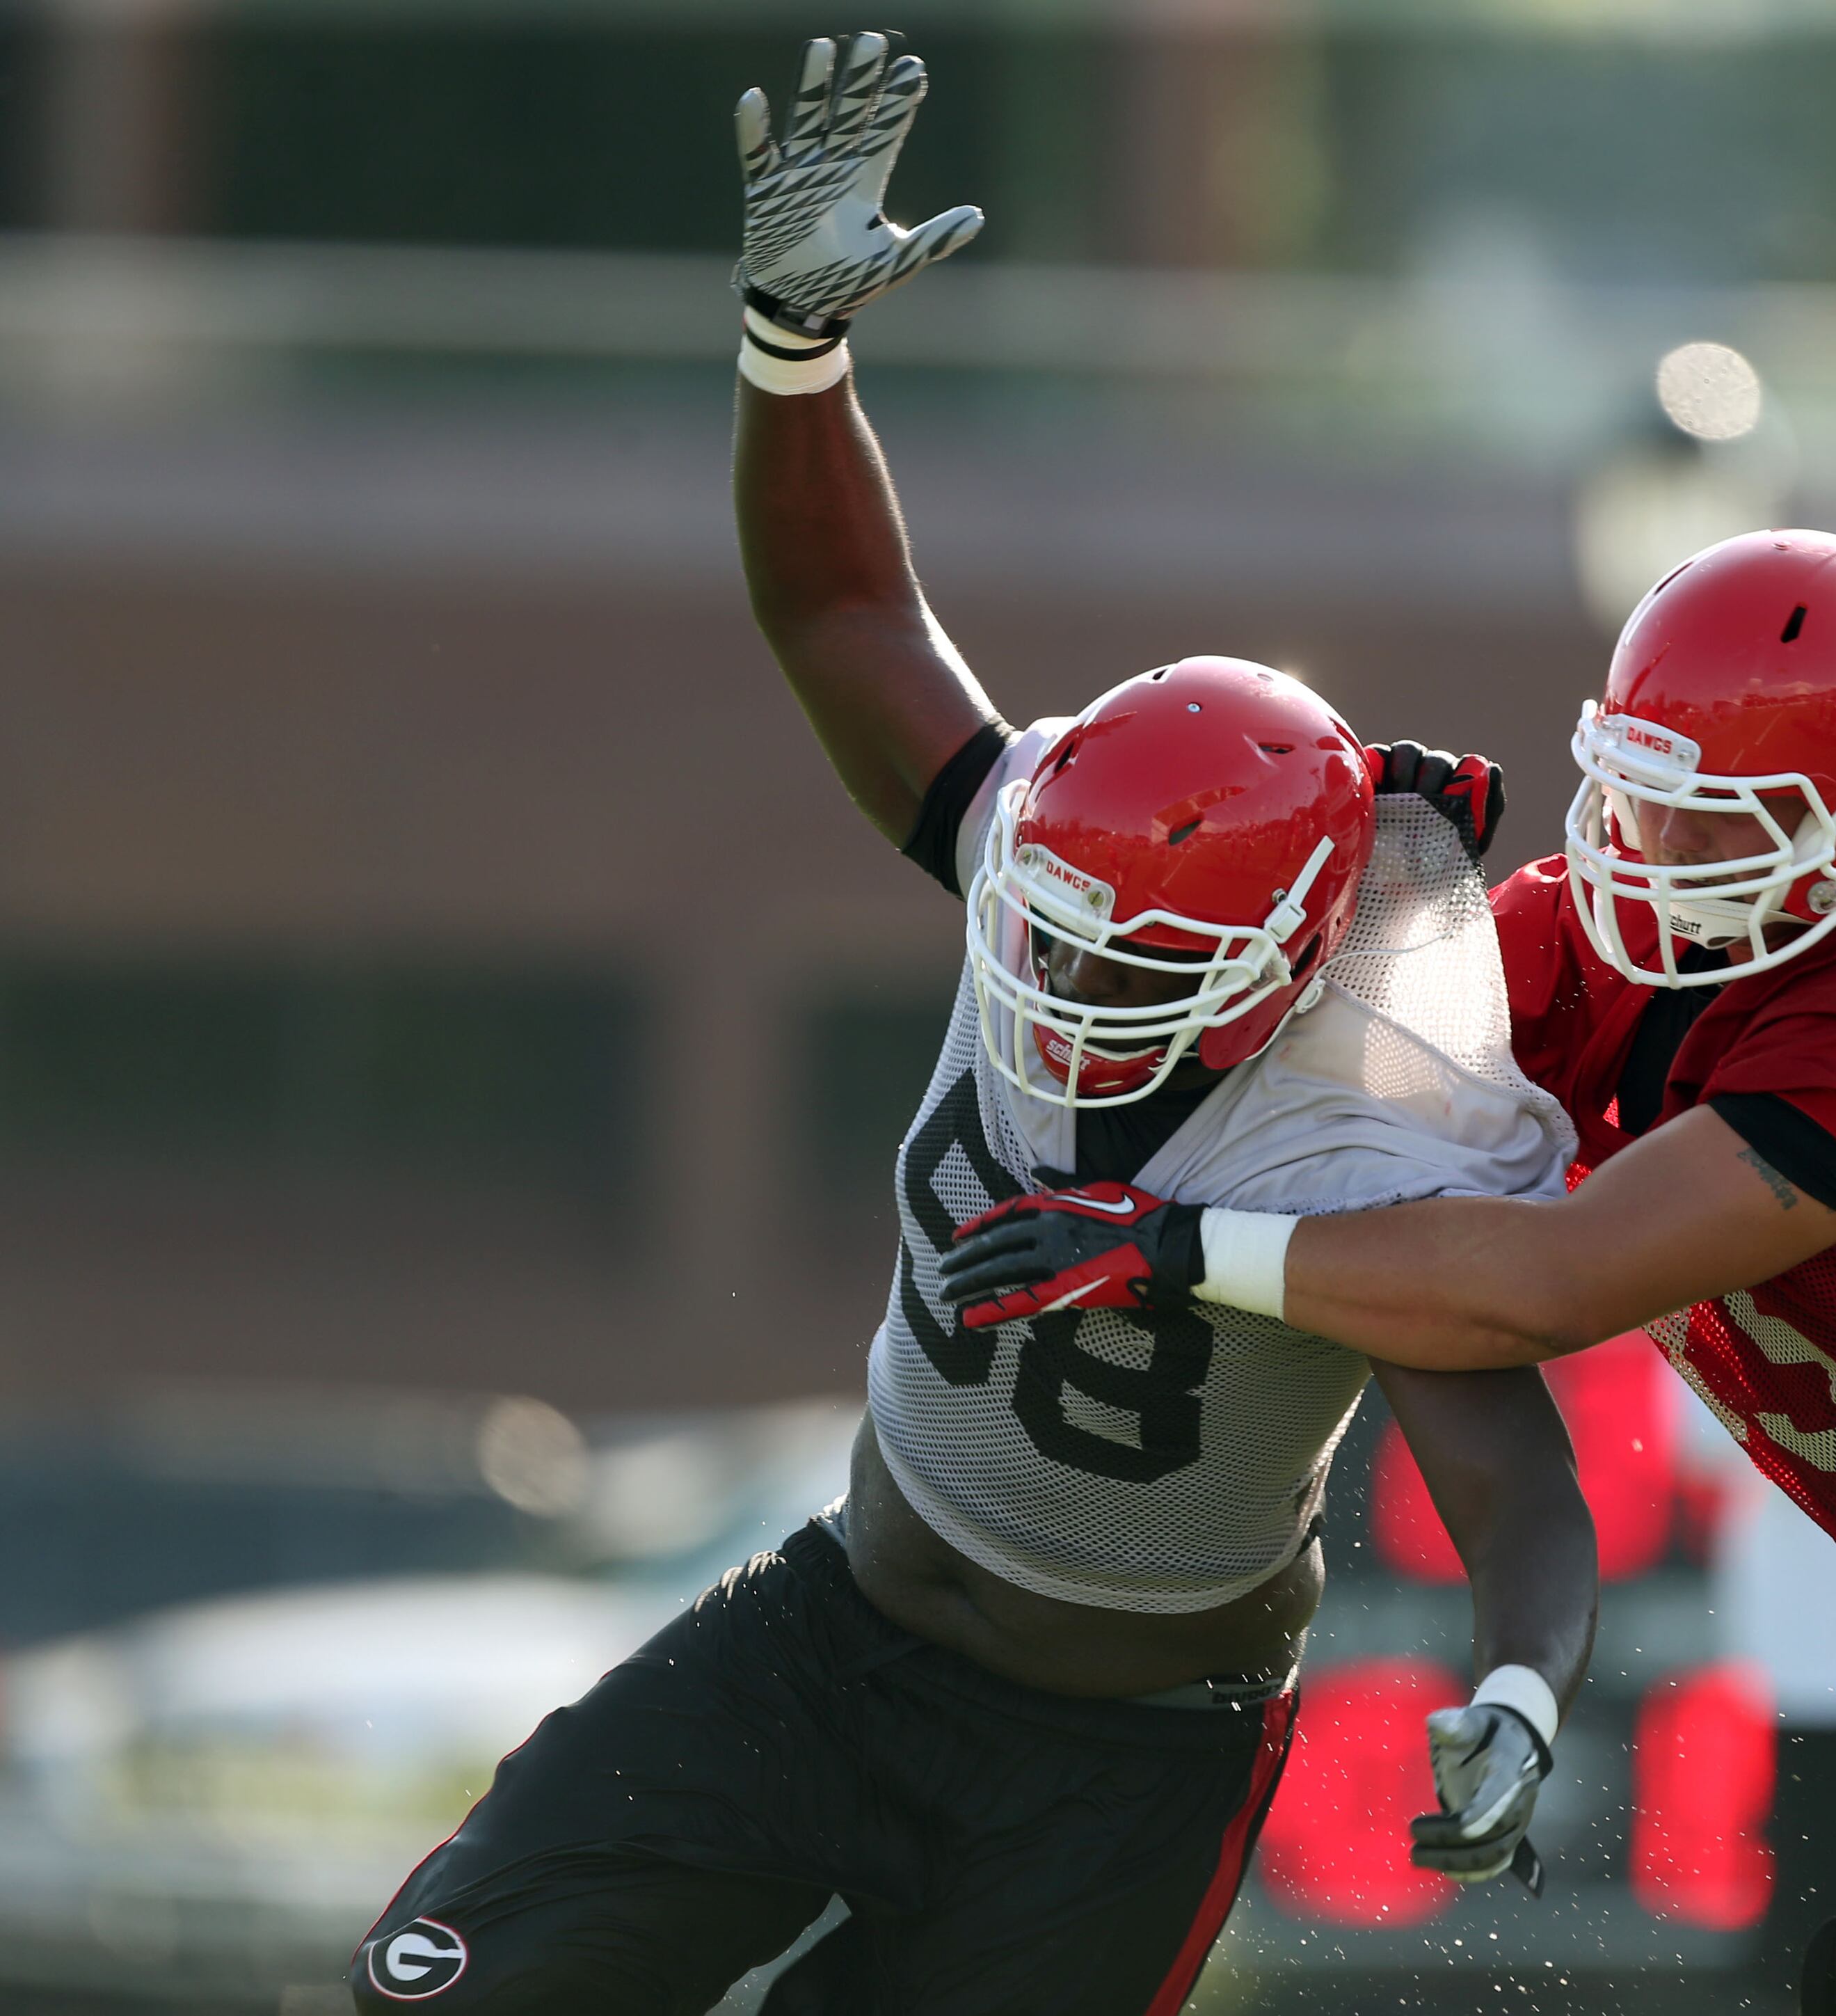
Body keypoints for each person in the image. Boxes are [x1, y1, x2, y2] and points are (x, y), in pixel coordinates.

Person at [348, 38, 1599, 2015]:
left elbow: (1520, 1482)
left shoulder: (1359, 1126)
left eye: (1131, 962)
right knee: (443, 1989)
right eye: (1055, 930)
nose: (1063, 984)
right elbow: (846, 615)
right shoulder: (1053, 859)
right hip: (828, 1635)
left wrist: (1523, 1680)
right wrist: (791, 351)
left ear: (1289, 955)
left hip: (1119, 1764)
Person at [944, 532, 1836, 2015]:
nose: (1660, 848)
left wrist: (1185, 1248)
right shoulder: (1592, 933)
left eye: (1725, 821)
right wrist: (1356, 881)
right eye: (1644, 790)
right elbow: (1339, 1080)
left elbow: (1551, 1284)